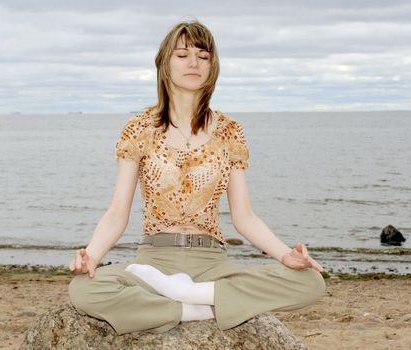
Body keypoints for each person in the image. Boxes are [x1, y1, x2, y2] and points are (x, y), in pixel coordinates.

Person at [68, 19, 325, 335]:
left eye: (203, 57)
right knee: (83, 290)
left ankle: (190, 297)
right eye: (182, 55)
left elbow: (243, 217)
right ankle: (198, 308)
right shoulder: (139, 129)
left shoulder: (229, 131)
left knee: (311, 283)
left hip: (212, 262)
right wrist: (91, 256)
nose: (194, 63)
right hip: (153, 263)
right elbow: (117, 212)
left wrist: (287, 255)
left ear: (212, 67)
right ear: (165, 64)